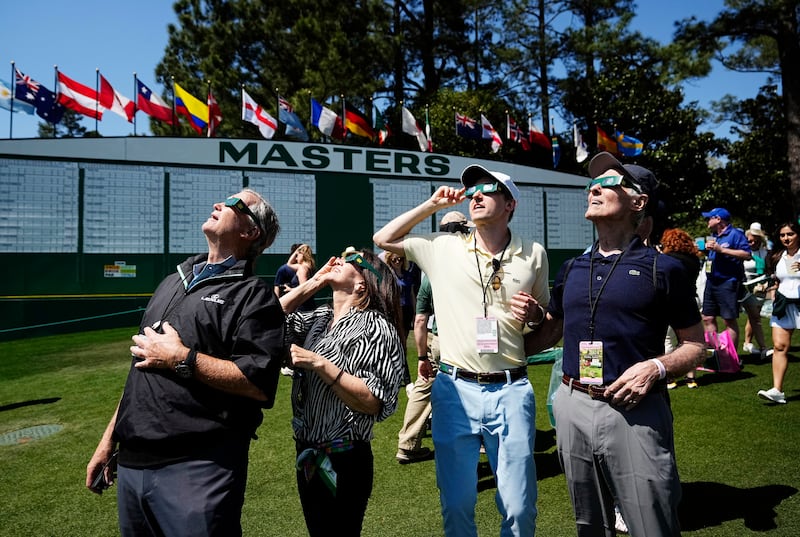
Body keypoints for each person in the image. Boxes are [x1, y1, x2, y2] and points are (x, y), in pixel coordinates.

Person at [86, 189, 285, 537]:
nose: (218, 204)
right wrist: (108, 440)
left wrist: (182, 358)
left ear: (251, 232)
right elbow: (140, 368)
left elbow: (256, 384)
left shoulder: (253, 295)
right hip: (132, 464)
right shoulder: (171, 282)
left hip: (198, 468)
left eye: (236, 204)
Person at [525, 152, 705, 536]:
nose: (595, 188)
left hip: (635, 408)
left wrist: (655, 368)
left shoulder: (665, 269)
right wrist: (507, 342)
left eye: (610, 182)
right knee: (590, 522)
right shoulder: (572, 268)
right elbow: (549, 331)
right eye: (593, 183)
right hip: (572, 405)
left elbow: (694, 345)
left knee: (650, 520)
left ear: (638, 202)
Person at [374, 165, 551, 537]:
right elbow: (383, 237)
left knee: (520, 507)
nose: (476, 195)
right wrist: (432, 205)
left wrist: (535, 314)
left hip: (511, 389)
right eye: (472, 190)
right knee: (456, 505)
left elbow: (543, 317)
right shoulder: (442, 247)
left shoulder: (533, 253)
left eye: (488, 189)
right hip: (454, 390)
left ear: (510, 204)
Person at [279, 249, 405, 536]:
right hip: (309, 454)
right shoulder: (319, 318)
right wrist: (313, 282)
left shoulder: (376, 327)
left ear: (363, 283)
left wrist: (320, 364)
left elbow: (374, 402)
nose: (338, 259)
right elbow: (266, 318)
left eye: (353, 260)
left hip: (344, 459)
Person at [396, 210, 471, 464]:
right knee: (471, 388)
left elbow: (420, 319)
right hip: (463, 341)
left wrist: (420, 356)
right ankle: (480, 442)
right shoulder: (470, 262)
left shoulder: (430, 263)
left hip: (435, 338)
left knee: (423, 388)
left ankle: (407, 444)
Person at [758, 221, 800, 404]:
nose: (786, 238)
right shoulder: (777, 256)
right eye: (783, 235)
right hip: (783, 304)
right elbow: (777, 280)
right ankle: (777, 390)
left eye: (790, 234)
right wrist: (764, 287)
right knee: (779, 346)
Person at [701, 207, 752, 349]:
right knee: (708, 317)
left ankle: (731, 358)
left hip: (727, 282)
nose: (707, 220)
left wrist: (722, 250)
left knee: (728, 320)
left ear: (718, 219)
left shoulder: (735, 234)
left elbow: (747, 255)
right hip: (711, 282)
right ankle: (718, 352)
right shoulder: (714, 236)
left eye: (709, 218)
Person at [660, 228, 703, 389]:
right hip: (693, 298)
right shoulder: (694, 259)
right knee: (690, 341)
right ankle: (691, 378)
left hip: (672, 301)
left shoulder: (667, 260)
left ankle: (670, 377)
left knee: (668, 339)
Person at [742, 223, 769, 359]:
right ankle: (760, 346)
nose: (750, 242)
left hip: (760, 286)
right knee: (754, 316)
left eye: (752, 240)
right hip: (745, 286)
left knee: (754, 315)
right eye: (748, 240)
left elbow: (768, 269)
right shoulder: (744, 251)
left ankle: (747, 343)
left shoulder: (765, 252)